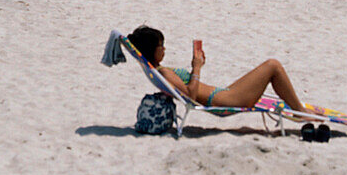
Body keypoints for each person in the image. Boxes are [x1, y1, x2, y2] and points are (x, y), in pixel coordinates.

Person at [126, 26, 309, 114]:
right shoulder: (164, 73)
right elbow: (190, 96)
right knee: (273, 65)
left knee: (269, 67)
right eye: (161, 46)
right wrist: (196, 68)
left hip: (224, 94)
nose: (164, 49)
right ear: (152, 50)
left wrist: (197, 67)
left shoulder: (159, 71)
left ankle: (297, 107)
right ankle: (300, 110)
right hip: (225, 100)